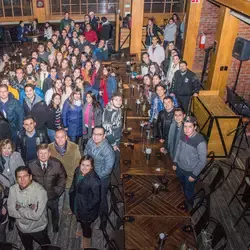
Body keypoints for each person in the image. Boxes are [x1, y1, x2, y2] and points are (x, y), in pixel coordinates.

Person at [7, 166, 51, 249]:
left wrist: (19, 208)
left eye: (25, 176)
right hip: (22, 229)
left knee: (46, 247)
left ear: (30, 177)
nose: (22, 180)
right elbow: (11, 211)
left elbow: (36, 216)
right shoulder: (13, 189)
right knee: (28, 247)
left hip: (38, 228)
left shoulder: (40, 192)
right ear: (16, 179)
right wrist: (29, 213)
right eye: (19, 177)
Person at [28, 144, 67, 233]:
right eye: (40, 153)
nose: (43, 155)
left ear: (49, 153)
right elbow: (28, 180)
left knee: (55, 212)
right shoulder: (31, 165)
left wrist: (57, 191)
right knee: (42, 213)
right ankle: (44, 227)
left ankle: (55, 225)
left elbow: (63, 177)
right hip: (39, 198)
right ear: (37, 154)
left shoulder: (57, 164)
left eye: (45, 153)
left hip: (53, 196)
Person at [84, 126, 115, 228]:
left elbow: (108, 169)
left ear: (104, 136)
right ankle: (93, 215)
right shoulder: (90, 142)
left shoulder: (107, 150)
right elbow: (85, 154)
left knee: (101, 200)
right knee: (91, 197)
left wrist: (95, 177)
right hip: (89, 174)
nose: (96, 137)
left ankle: (104, 219)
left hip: (102, 179)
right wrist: (85, 167)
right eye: (94, 134)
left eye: (99, 134)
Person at [173, 116, 207, 208]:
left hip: (190, 172)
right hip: (180, 168)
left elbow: (202, 161)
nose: (187, 129)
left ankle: (189, 207)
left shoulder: (200, 141)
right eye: (185, 126)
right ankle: (180, 200)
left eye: (190, 127)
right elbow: (178, 149)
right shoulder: (183, 135)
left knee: (189, 191)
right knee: (181, 186)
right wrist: (175, 162)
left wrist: (194, 175)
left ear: (195, 127)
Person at [69, 155, 101, 248]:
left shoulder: (94, 180)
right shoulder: (77, 170)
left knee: (86, 224)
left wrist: (86, 208)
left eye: (87, 165)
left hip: (86, 208)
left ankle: (87, 237)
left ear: (92, 167)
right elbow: (74, 184)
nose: (84, 168)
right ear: (80, 164)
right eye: (83, 164)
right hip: (77, 202)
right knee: (80, 219)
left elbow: (96, 199)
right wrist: (71, 193)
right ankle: (84, 231)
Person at [49, 129, 81, 207]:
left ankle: (68, 210)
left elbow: (78, 163)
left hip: (69, 180)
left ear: (66, 137)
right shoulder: (49, 147)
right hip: (56, 181)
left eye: (62, 137)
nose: (60, 140)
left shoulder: (74, 147)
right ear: (54, 137)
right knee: (58, 202)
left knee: (68, 200)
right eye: (57, 137)